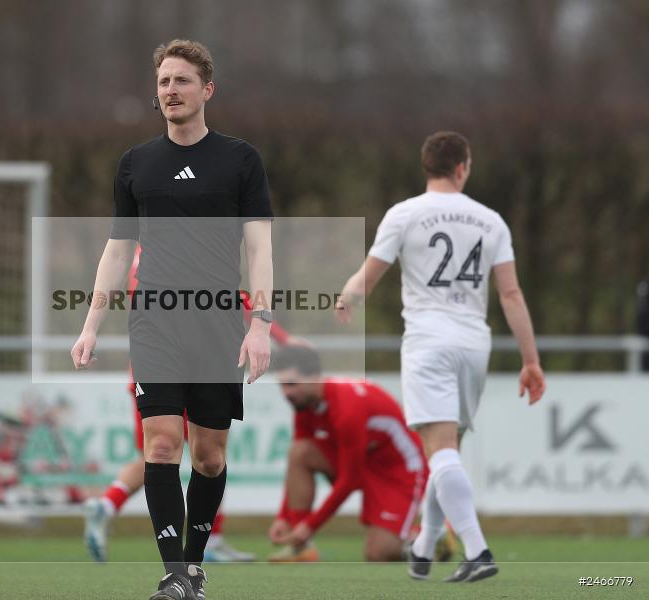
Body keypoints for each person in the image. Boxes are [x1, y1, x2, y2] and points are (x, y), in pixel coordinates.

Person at [72, 39, 274, 600]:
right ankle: (175, 576)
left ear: (206, 89)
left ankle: (195, 563)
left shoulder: (240, 160)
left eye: (182, 81)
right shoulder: (136, 163)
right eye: (163, 82)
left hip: (216, 325)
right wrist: (91, 325)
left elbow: (260, 248)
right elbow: (117, 251)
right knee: (160, 447)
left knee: (209, 457)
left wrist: (260, 322)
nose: (170, 91)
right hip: (154, 322)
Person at [336, 131, 546, 583]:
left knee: (441, 451)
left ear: (427, 166)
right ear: (462, 167)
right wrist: (531, 361)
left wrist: (348, 297)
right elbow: (510, 294)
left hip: (429, 341)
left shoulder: (405, 214)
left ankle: (477, 550)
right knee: (447, 453)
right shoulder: (491, 220)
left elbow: (368, 276)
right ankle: (426, 547)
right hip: (474, 344)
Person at [84, 247, 303, 564]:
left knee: (162, 453)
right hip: (185, 366)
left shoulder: (138, 254)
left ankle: (108, 503)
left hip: (147, 369)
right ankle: (207, 543)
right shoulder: (176, 249)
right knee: (208, 454)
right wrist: (281, 336)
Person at [268, 345, 428, 563]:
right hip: (365, 463)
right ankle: (301, 548)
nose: (286, 393)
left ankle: (428, 537)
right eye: (282, 385)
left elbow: (349, 480)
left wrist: (311, 525)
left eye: (292, 384)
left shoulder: (346, 408)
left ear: (315, 377)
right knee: (300, 451)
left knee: (378, 554)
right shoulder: (304, 404)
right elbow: (298, 461)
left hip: (398, 471)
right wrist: (283, 517)